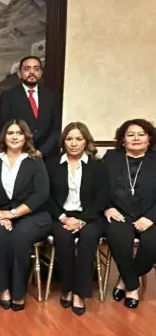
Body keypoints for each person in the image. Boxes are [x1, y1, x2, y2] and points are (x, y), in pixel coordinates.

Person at [0, 119, 51, 311]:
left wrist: (12, 214)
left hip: (32, 215)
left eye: (19, 133)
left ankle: (19, 291)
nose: (14, 137)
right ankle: (2, 288)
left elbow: (41, 194)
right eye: (10, 133)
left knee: (20, 237)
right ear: (4, 137)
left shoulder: (35, 161)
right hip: (0, 214)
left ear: (26, 136)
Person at [46, 122, 108, 316]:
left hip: (90, 217)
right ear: (63, 141)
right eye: (69, 139)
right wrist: (64, 219)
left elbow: (103, 197)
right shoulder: (52, 164)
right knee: (63, 240)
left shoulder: (97, 165)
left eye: (78, 139)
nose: (73, 143)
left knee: (88, 240)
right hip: (62, 216)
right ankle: (67, 288)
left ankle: (80, 293)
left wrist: (83, 220)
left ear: (86, 142)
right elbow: (46, 197)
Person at [103, 119, 156, 309]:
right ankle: (132, 287)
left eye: (141, 134)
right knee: (120, 239)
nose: (136, 138)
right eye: (130, 134)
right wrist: (107, 207)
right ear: (122, 139)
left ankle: (124, 279)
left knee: (152, 244)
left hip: (150, 215)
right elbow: (97, 188)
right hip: (118, 213)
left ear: (149, 138)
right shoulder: (111, 158)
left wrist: (151, 217)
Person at [0, 56, 61, 159]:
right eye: (27, 69)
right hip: (19, 155)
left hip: (47, 156)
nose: (32, 72)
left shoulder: (51, 96)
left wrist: (42, 151)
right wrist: (23, 150)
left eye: (36, 69)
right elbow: (5, 127)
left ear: (41, 73)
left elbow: (57, 128)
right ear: (19, 73)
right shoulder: (8, 96)